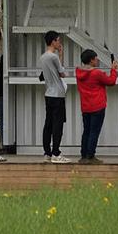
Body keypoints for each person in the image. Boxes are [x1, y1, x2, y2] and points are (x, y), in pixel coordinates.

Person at [75, 50, 118, 163]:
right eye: (96, 58)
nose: (97, 60)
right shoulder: (96, 73)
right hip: (97, 106)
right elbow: (111, 81)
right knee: (94, 131)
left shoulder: (78, 71)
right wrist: (113, 70)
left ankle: (84, 156)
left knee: (87, 131)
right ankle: (90, 156)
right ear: (91, 60)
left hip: (85, 106)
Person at [40, 32, 71, 163]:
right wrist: (61, 55)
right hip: (58, 94)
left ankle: (47, 152)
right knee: (58, 125)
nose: (59, 43)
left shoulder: (43, 57)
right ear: (53, 42)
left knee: (48, 124)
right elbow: (62, 73)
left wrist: (60, 55)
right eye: (58, 40)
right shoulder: (53, 57)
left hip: (48, 93)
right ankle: (56, 153)